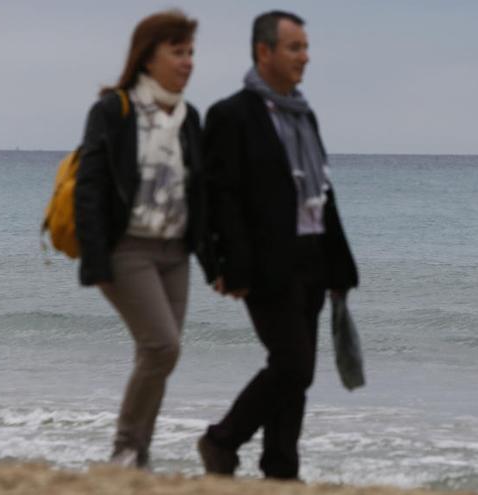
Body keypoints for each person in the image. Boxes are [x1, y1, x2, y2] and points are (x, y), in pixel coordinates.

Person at [196, 10, 358, 480]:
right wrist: (221, 264)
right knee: (293, 365)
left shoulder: (303, 114)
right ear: (263, 51)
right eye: (294, 48)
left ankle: (281, 468)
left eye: (306, 47)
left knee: (295, 369)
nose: (304, 57)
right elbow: (217, 196)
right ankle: (221, 440)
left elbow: (321, 195)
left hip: (313, 255)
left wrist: (340, 266)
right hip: (266, 261)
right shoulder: (231, 115)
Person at [74, 10, 212, 468]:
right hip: (126, 248)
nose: (188, 62)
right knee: (162, 347)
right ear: (149, 57)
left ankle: (139, 454)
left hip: (175, 252)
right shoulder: (115, 109)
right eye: (178, 52)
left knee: (158, 355)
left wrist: (217, 259)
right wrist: (95, 259)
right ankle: (124, 448)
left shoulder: (190, 117)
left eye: (191, 52)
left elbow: (202, 194)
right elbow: (91, 186)